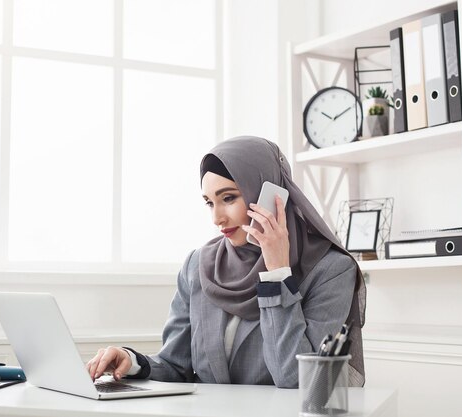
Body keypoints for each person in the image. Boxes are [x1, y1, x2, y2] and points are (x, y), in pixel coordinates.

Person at [86, 136, 366, 388]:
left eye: (229, 198)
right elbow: (175, 365)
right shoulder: (198, 265)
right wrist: (130, 360)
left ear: (271, 196)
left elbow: (296, 378)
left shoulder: (330, 269)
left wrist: (278, 273)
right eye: (209, 202)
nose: (216, 218)